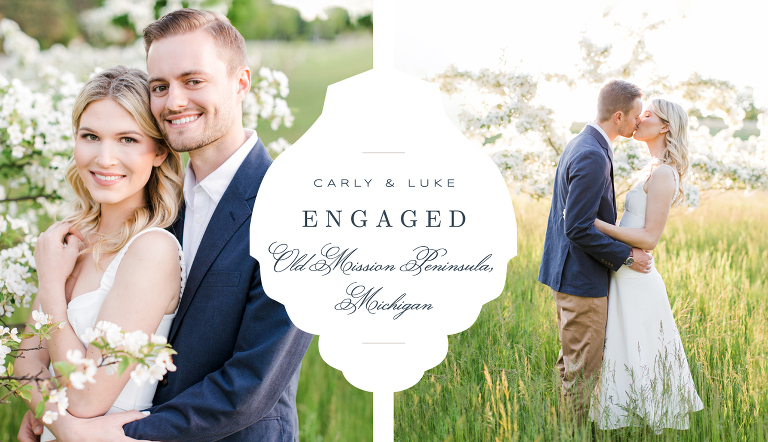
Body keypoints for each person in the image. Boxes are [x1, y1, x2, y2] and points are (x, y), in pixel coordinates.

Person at [18, 9, 313, 442]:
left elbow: (252, 384)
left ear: (241, 82)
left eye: (193, 81)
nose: (174, 101)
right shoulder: (161, 209)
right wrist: (52, 410)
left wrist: (88, 430)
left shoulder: (293, 211)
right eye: (160, 86)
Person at [15, 66, 185, 442]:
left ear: (158, 151)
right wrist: (68, 429)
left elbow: (86, 396)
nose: (105, 158)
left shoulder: (151, 251)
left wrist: (51, 285)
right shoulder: (68, 241)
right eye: (90, 136)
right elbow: (23, 365)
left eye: (127, 139)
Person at [538, 79, 654, 423]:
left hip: (570, 274)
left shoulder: (585, 143)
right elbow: (577, 227)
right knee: (582, 371)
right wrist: (627, 255)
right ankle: (571, 432)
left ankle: (561, 426)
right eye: (635, 116)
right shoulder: (591, 153)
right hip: (581, 279)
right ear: (618, 116)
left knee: (572, 362)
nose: (638, 122)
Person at [589, 98, 704, 431]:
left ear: (665, 126)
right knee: (623, 350)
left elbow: (650, 237)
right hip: (624, 273)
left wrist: (596, 224)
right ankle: (624, 421)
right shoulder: (651, 168)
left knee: (645, 351)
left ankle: (652, 423)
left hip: (638, 279)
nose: (639, 119)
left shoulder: (666, 173)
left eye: (648, 115)